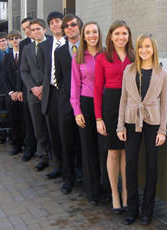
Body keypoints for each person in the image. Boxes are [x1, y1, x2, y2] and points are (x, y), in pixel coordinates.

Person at [117, 34, 167, 226]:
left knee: (152, 167)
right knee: (130, 167)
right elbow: (123, 99)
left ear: (153, 48)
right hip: (131, 122)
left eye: (147, 46)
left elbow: (164, 103)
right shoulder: (129, 71)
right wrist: (120, 125)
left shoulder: (161, 72)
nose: (143, 50)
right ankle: (132, 210)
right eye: (140, 47)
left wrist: (162, 130)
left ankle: (147, 211)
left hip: (153, 124)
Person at [94, 20, 135, 214]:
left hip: (131, 106)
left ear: (129, 36)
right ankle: (115, 194)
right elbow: (97, 91)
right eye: (117, 33)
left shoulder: (135, 56)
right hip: (110, 104)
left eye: (124, 34)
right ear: (110, 36)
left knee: (127, 152)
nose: (121, 37)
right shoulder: (102, 58)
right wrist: (98, 118)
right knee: (113, 152)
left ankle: (127, 194)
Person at [71, 22, 103, 205]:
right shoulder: (78, 57)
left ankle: (108, 188)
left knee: (105, 149)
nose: (92, 35)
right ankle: (93, 191)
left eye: (95, 32)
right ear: (83, 35)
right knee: (88, 148)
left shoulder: (107, 54)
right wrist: (77, 111)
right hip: (86, 104)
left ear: (99, 34)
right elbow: (74, 86)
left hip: (105, 104)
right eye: (88, 32)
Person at [54, 14, 83, 195]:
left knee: (85, 143)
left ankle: (84, 174)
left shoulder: (89, 49)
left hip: (86, 102)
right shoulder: (59, 52)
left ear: (79, 26)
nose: (70, 28)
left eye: (73, 25)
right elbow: (59, 77)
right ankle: (68, 178)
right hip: (65, 104)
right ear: (63, 30)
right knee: (67, 142)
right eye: (66, 26)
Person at [20, 18, 52, 172]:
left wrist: (43, 88)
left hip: (49, 93)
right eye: (33, 30)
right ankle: (43, 156)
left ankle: (56, 158)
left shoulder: (52, 45)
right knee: (39, 128)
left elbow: (51, 70)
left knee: (51, 127)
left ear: (44, 30)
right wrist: (33, 88)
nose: (36, 32)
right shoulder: (27, 49)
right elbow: (23, 71)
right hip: (33, 95)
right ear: (30, 33)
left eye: (38, 29)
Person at [37, 11, 65, 180]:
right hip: (51, 94)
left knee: (68, 133)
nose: (55, 24)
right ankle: (59, 166)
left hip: (67, 94)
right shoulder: (44, 47)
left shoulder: (70, 44)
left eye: (57, 21)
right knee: (54, 132)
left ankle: (74, 167)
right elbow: (44, 70)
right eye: (51, 22)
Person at [17, 17, 38, 162]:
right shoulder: (23, 44)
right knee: (29, 121)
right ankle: (30, 148)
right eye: (24, 29)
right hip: (28, 89)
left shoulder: (47, 40)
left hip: (45, 89)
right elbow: (21, 69)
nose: (27, 31)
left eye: (29, 27)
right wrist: (20, 89)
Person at [3, 30, 25, 155]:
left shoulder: (25, 53)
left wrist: (20, 90)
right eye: (12, 38)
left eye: (17, 38)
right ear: (9, 41)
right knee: (14, 120)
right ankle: (17, 144)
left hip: (23, 93)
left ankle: (28, 144)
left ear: (21, 39)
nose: (14, 40)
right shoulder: (7, 56)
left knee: (26, 120)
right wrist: (11, 92)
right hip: (12, 95)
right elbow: (5, 76)